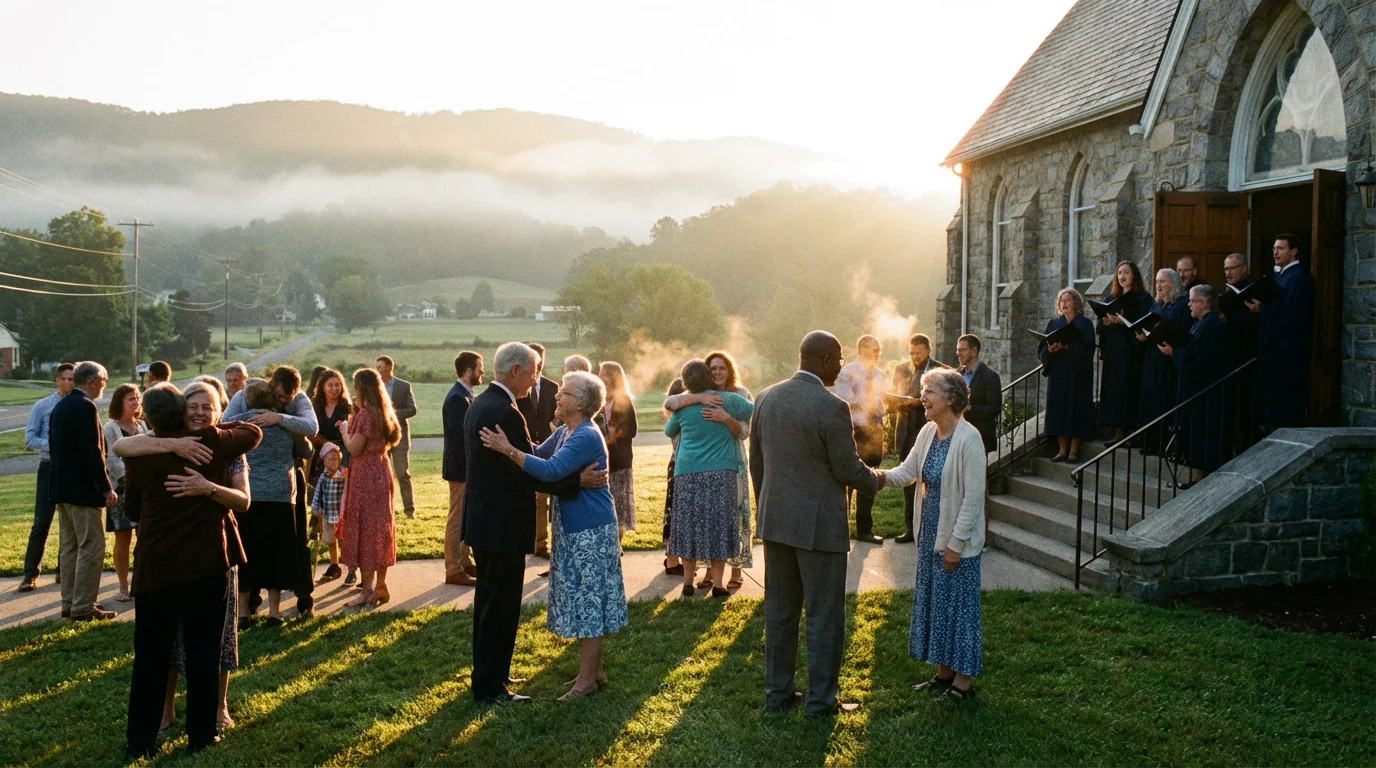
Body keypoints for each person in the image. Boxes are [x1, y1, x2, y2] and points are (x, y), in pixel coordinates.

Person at [119, 383, 260, 758]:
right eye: (192, 407)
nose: (198, 414)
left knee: (149, 658)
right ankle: (201, 735)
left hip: (156, 568)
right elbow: (253, 433)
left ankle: (140, 742)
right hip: (205, 564)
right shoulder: (213, 443)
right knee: (203, 654)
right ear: (182, 410)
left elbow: (132, 510)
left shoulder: (142, 454)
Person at [750, 331, 883, 718]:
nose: (842, 366)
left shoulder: (766, 398)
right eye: (838, 359)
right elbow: (846, 468)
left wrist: (769, 505)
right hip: (819, 527)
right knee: (824, 617)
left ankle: (778, 693)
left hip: (776, 522)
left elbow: (758, 462)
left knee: (779, 612)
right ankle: (821, 703)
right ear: (824, 360)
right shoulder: (832, 407)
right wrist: (876, 479)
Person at [462, 342, 600, 704]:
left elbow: (528, 459)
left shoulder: (481, 403)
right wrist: (577, 482)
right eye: (535, 370)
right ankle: (492, 688)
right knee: (501, 607)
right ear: (515, 372)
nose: (539, 379)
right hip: (502, 526)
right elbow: (531, 473)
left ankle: (491, 674)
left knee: (488, 603)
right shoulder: (506, 411)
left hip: (485, 522)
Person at [479, 371, 628, 701]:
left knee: (590, 602)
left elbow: (548, 471)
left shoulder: (585, 435)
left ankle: (586, 681)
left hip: (590, 530)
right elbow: (539, 452)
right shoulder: (566, 432)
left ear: (582, 403)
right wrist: (515, 446)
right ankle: (595, 672)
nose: (556, 396)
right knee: (586, 597)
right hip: (577, 528)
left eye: (564, 393)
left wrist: (507, 450)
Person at [880, 368, 986, 702]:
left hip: (957, 542)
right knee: (938, 605)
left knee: (960, 609)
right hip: (930, 537)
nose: (922, 397)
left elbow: (973, 497)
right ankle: (943, 674)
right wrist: (871, 476)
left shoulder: (969, 439)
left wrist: (955, 545)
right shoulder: (928, 432)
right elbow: (907, 473)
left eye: (930, 391)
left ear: (951, 399)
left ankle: (963, 684)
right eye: (923, 390)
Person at [225, 365, 319, 616]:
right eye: (278, 397)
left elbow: (311, 426)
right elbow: (224, 422)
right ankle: (257, 603)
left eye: (286, 398)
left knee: (294, 540)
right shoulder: (241, 396)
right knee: (266, 542)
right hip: (269, 483)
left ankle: (303, 595)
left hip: (286, 479)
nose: (282, 401)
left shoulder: (299, 399)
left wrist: (279, 418)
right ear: (269, 388)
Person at [665, 359, 754, 598]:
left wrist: (688, 403)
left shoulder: (682, 406)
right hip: (721, 472)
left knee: (688, 526)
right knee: (719, 526)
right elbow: (752, 410)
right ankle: (717, 584)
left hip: (687, 472)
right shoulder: (728, 400)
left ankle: (687, 584)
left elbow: (669, 431)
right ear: (707, 375)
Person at [48, 361, 116, 621]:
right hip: (83, 490)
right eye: (104, 380)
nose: (104, 385)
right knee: (92, 545)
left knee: (70, 546)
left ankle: (69, 602)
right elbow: (93, 451)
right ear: (92, 381)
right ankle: (83, 606)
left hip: (62, 488)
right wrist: (106, 487)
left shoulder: (61, 405)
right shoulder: (85, 406)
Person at [233, 379, 300, 626]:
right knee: (277, 553)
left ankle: (242, 613)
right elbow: (302, 449)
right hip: (280, 495)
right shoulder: (282, 424)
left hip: (247, 493)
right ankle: (275, 612)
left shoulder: (240, 425)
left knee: (246, 552)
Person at [338, 367, 403, 608]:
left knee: (364, 528)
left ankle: (367, 590)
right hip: (381, 470)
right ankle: (380, 586)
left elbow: (355, 448)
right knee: (380, 528)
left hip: (364, 473)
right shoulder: (384, 412)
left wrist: (345, 430)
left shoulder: (365, 415)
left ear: (360, 388)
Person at [1160, 284, 1232, 488]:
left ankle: (1202, 478)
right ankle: (1199, 475)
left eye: (1192, 301)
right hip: (1196, 389)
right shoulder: (1201, 322)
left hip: (1205, 390)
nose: (1189, 305)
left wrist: (1175, 353)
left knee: (1204, 433)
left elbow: (1200, 357)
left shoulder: (1211, 323)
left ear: (1203, 302)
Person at [18, 362, 75, 592]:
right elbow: (29, 439)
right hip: (49, 467)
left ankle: (64, 570)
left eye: (73, 379)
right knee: (42, 521)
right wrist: (56, 445)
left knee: (69, 522)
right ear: (57, 380)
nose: (70, 383)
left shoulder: (79, 405)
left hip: (72, 469)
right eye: (66, 379)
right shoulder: (43, 406)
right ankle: (30, 574)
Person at [1249, 233, 1314, 429]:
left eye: (1281, 248)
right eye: (1274, 248)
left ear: (1294, 251)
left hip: (1289, 350)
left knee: (1286, 399)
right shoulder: (1279, 275)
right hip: (1273, 346)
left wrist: (1264, 309)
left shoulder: (1299, 276)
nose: (1275, 252)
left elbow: (1294, 311)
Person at [889, 334, 949, 544]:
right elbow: (892, 399)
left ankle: (932, 529)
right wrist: (899, 402)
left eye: (918, 353)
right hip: (906, 433)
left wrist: (919, 402)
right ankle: (910, 529)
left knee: (932, 481)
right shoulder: (901, 369)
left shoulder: (941, 372)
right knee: (908, 483)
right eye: (911, 353)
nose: (914, 357)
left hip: (930, 431)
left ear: (928, 350)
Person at [833, 335, 888, 545]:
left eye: (875, 351)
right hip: (853, 430)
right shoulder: (846, 373)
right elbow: (841, 401)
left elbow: (881, 401)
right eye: (868, 350)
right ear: (859, 351)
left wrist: (881, 408)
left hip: (874, 431)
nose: (872, 354)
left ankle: (865, 530)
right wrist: (864, 403)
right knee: (845, 481)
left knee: (869, 479)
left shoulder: (881, 375)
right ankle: (841, 531)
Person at [1096, 261, 1154, 442]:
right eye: (1119, 273)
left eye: (1126, 272)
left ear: (1134, 276)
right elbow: (1100, 326)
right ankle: (1118, 433)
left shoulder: (1143, 299)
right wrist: (1105, 323)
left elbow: (1147, 322)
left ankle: (1133, 434)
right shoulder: (1110, 299)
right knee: (1114, 391)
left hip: (1133, 351)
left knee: (1131, 389)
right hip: (1114, 350)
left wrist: (1122, 321)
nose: (1122, 276)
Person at [1137, 268, 1192, 454]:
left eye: (1163, 282)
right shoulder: (1157, 305)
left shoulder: (1181, 305)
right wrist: (1144, 336)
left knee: (1164, 400)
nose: (1158, 285)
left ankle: (1164, 443)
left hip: (1169, 360)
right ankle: (1150, 440)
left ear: (1173, 284)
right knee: (1150, 400)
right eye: (1157, 282)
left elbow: (1183, 332)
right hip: (1152, 358)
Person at [103, 383, 149, 602]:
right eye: (131, 398)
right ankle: (123, 586)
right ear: (120, 402)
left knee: (145, 536)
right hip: (120, 489)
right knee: (123, 539)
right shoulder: (108, 429)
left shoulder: (143, 426)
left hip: (144, 489)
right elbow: (111, 460)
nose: (136, 402)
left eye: (138, 398)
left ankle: (142, 582)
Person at [1039, 288, 1096, 463]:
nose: (1064, 303)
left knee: (1075, 410)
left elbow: (1088, 348)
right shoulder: (1054, 324)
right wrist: (1049, 350)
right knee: (1058, 411)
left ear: (1076, 303)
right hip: (1058, 373)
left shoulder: (1085, 324)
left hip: (1077, 375)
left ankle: (1073, 451)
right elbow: (1042, 347)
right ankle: (1062, 450)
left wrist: (1067, 347)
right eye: (1061, 300)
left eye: (1068, 300)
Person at [442, 351, 483, 587]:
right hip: (460, 470)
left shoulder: (465, 395)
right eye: (480, 367)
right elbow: (461, 440)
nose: (483, 372)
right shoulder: (458, 398)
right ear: (469, 370)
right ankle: (453, 568)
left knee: (464, 516)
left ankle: (464, 562)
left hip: (463, 468)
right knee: (456, 518)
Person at [517, 342, 559, 558]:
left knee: (544, 499)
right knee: (530, 499)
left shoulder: (552, 388)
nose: (539, 364)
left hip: (548, 448)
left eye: (541, 360)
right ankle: (530, 541)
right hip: (525, 447)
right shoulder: (519, 388)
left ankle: (541, 545)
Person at [1222, 253, 1260, 443]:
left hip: (1249, 352)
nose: (1228, 273)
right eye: (1226, 269)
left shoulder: (1254, 288)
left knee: (1246, 400)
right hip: (1231, 353)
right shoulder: (1229, 291)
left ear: (1244, 268)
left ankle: (1246, 437)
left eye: (1232, 268)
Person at [374, 355, 417, 519]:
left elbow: (412, 409)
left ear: (389, 368)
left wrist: (392, 414)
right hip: (380, 436)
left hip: (400, 435)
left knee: (402, 473)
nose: (378, 370)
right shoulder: (374, 387)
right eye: (376, 367)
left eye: (380, 367)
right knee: (381, 475)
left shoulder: (404, 386)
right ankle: (384, 511)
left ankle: (409, 510)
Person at [599, 362, 638, 542]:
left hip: (619, 461)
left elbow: (629, 430)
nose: (600, 377)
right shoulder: (601, 401)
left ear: (614, 377)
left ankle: (616, 546)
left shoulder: (623, 399)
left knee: (618, 506)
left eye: (604, 374)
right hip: (602, 461)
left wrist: (608, 439)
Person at [308, 367, 352, 490]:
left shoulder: (348, 408)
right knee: (320, 485)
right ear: (322, 387)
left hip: (342, 452)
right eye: (330, 385)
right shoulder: (315, 406)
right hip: (320, 450)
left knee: (340, 484)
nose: (334, 389)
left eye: (337, 385)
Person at [956, 334, 1002, 453]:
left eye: (962, 350)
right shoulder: (956, 374)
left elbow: (994, 409)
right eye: (957, 350)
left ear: (974, 351)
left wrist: (970, 409)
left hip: (979, 437)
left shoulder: (990, 377)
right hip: (957, 436)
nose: (958, 353)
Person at [661, 377, 687, 576]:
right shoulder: (681, 415)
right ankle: (672, 560)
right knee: (679, 512)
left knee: (672, 510)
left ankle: (671, 558)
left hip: (674, 463)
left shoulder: (672, 415)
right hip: (683, 464)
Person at [311, 442, 347, 583]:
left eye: (335, 460)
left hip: (341, 515)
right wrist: (316, 507)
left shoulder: (342, 476)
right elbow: (318, 493)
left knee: (344, 540)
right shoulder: (323, 477)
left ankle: (350, 567)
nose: (331, 463)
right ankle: (334, 564)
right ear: (324, 461)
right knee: (330, 541)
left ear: (339, 461)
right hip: (327, 515)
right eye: (328, 460)